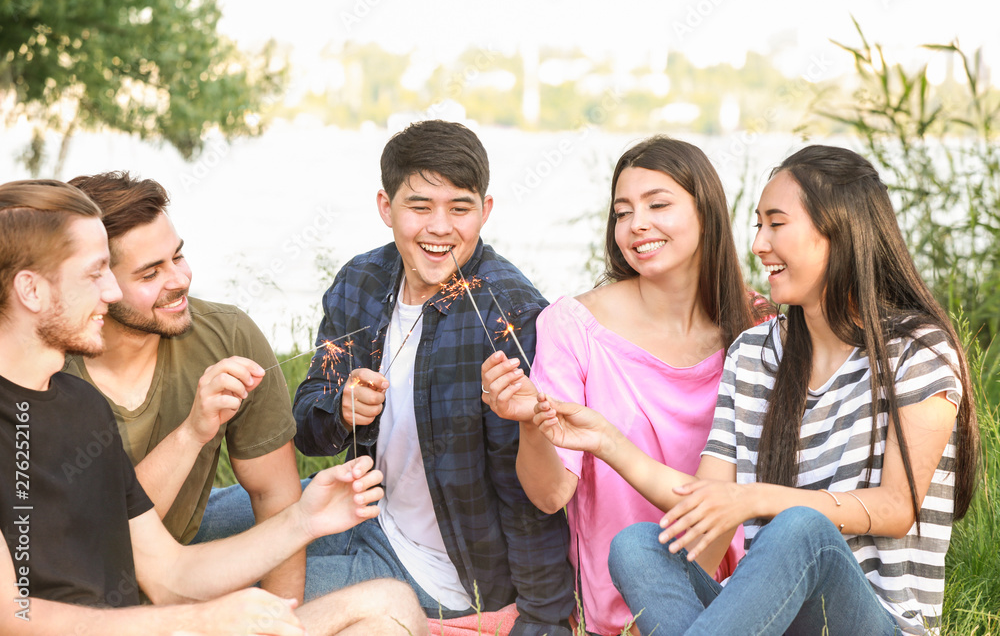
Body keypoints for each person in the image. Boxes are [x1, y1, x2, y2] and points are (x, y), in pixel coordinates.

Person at [529, 145, 979, 635]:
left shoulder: (916, 351)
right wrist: (606, 441)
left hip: (877, 621)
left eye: (776, 224)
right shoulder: (755, 352)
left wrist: (756, 498)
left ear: (839, 230)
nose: (760, 244)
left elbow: (896, 507)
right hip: (772, 616)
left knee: (800, 527)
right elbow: (707, 499)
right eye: (758, 225)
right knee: (637, 547)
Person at [0, 179, 428, 635]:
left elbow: (168, 574)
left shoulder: (78, 405)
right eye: (94, 274)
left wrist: (303, 520)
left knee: (393, 603)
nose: (110, 291)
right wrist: (202, 619)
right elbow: (11, 616)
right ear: (31, 290)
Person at [293, 120, 575, 635]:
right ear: (386, 207)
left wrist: (545, 620)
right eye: (420, 207)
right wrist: (340, 410)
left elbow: (530, 491)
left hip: (443, 573)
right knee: (199, 527)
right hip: (363, 510)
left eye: (460, 209)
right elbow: (308, 424)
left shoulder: (509, 312)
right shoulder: (361, 280)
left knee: (245, 589)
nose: (440, 228)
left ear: (486, 210)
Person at [481, 136, 770, 635]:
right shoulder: (572, 325)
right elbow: (550, 495)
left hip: (748, 601)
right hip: (619, 610)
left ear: (706, 213)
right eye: (622, 212)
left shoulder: (759, 324)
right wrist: (530, 422)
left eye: (658, 205)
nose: (636, 224)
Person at [62, 172, 305, 601]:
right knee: (375, 599)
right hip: (88, 588)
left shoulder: (227, 334)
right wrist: (192, 432)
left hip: (182, 553)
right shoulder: (46, 371)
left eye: (177, 256)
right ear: (97, 283)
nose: (180, 280)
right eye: (150, 273)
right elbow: (92, 543)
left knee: (333, 513)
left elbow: (274, 494)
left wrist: (285, 615)